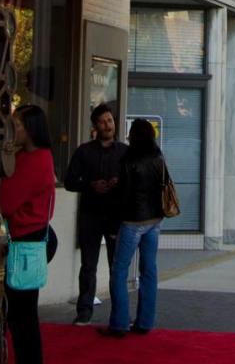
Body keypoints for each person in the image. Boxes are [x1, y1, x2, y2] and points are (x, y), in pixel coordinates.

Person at [0, 103, 56, 364]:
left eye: (17, 125)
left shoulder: (34, 161)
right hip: (27, 242)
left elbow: (5, 201)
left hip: (25, 245)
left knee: (23, 320)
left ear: (30, 129)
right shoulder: (34, 158)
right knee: (22, 318)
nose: (13, 130)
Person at [102, 117, 168, 338]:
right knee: (149, 270)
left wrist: (114, 223)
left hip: (133, 220)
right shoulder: (158, 157)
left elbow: (124, 196)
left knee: (119, 270)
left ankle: (119, 323)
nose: (128, 136)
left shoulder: (129, 160)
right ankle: (145, 322)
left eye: (131, 132)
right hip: (155, 219)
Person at [64, 103, 126, 324]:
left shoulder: (124, 152)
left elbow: (134, 181)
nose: (107, 125)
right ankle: (84, 311)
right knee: (88, 265)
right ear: (95, 126)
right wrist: (91, 186)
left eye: (110, 120)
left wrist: (120, 183)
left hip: (116, 217)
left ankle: (120, 313)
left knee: (116, 266)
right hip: (90, 215)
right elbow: (69, 180)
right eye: (102, 121)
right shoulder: (84, 151)